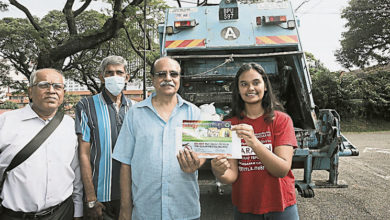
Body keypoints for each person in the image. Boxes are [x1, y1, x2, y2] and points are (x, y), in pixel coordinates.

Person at [112, 56, 206, 220]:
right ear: (153, 79)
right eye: (162, 74)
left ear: (179, 79)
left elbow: (203, 153)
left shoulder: (193, 113)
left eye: (173, 74)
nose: (168, 78)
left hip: (184, 211)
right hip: (146, 211)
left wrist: (197, 163)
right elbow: (125, 163)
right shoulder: (135, 114)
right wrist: (125, 208)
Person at [211, 63, 299, 220]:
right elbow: (231, 176)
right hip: (246, 208)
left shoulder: (281, 120)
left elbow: (282, 170)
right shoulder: (229, 124)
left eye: (256, 82)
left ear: (265, 86)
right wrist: (218, 170)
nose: (250, 88)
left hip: (281, 206)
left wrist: (254, 142)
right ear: (238, 90)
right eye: (244, 84)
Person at [0, 68, 83, 220]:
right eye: (44, 85)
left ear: (63, 93)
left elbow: (75, 172)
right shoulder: (6, 123)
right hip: (15, 216)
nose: (51, 91)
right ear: (30, 91)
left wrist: (78, 210)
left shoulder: (69, 126)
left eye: (57, 86)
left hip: (61, 213)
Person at [74, 55, 134, 220]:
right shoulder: (86, 106)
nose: (115, 77)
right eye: (109, 73)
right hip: (100, 196)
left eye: (119, 72)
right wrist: (91, 198)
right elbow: (84, 154)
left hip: (131, 194)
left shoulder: (135, 108)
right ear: (101, 77)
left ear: (126, 77)